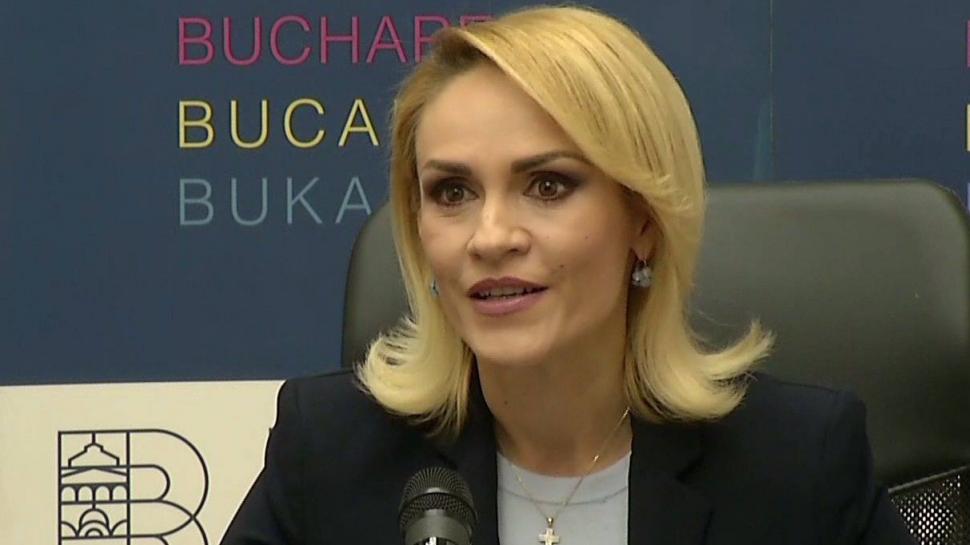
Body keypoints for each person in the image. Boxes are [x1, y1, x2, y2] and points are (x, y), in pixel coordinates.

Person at [221, 5, 916, 545]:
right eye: (453, 192)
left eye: (548, 186)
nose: (491, 237)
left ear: (643, 220)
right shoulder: (329, 453)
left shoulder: (798, 466)